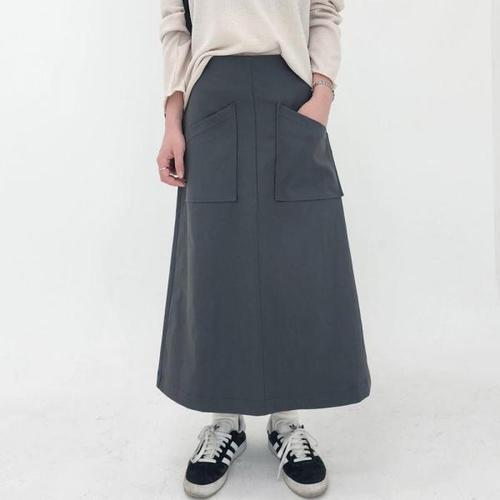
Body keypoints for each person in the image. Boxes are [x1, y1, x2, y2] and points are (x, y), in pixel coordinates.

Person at [156, 1, 370, 497]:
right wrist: (172, 119)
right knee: (214, 261)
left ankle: (286, 420)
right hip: (209, 94)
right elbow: (174, 22)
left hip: (291, 94)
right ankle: (223, 420)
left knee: (296, 259)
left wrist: (323, 92)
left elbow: (324, 10)